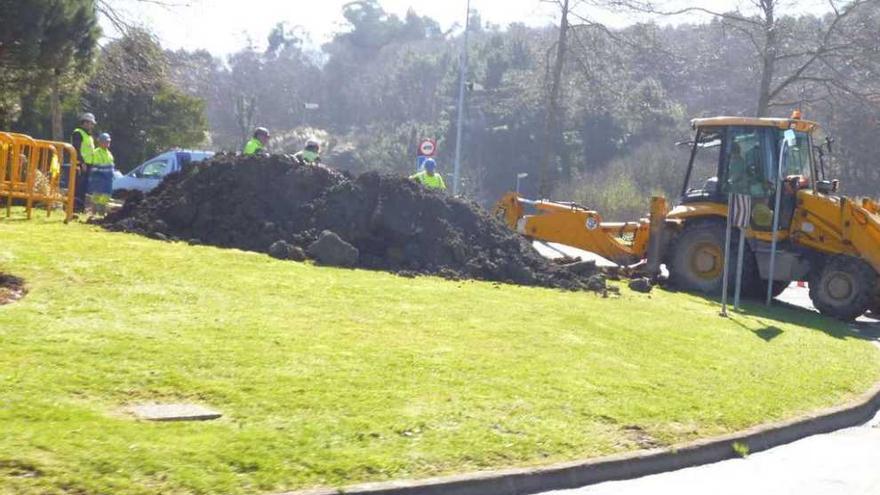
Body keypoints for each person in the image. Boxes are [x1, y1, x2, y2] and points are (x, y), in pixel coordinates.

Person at [71, 112, 97, 212]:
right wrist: (82, 162)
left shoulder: (89, 136)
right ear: (84, 123)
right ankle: (74, 207)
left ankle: (80, 207)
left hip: (88, 164)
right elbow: (76, 149)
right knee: (78, 187)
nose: (91, 126)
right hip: (80, 164)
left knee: (84, 187)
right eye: (90, 123)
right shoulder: (78, 133)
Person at [87, 133, 115, 215]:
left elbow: (111, 165)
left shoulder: (109, 153)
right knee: (97, 194)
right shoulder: (96, 152)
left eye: (108, 142)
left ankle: (99, 210)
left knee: (107, 194)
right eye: (106, 142)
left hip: (108, 178)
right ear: (100, 142)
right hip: (99, 177)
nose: (107, 143)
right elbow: (96, 166)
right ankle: (96, 212)